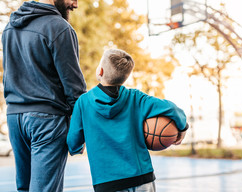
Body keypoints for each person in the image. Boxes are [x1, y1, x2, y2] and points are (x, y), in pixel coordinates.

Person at [2, 0, 88, 192]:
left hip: (14, 118)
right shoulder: (60, 28)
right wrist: (80, 131)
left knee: (25, 188)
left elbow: (7, 75)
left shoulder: (10, 26)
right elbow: (74, 87)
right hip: (46, 121)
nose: (75, 5)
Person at [67, 48, 188, 192]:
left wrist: (78, 148)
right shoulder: (135, 98)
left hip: (107, 183)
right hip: (142, 177)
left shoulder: (83, 102)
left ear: (100, 71)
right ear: (125, 78)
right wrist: (183, 127)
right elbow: (172, 109)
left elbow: (73, 143)